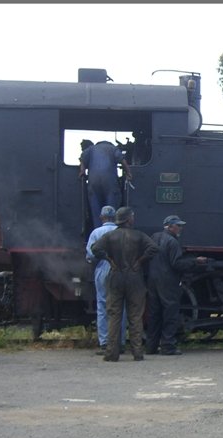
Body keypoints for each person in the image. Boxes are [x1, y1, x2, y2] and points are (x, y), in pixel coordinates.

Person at [91, 207, 158, 362]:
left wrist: (109, 260)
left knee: (114, 315)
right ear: (128, 219)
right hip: (135, 278)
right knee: (135, 316)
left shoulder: (110, 236)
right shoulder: (139, 236)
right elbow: (154, 248)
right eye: (132, 216)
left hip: (115, 276)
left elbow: (95, 249)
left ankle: (111, 353)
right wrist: (140, 261)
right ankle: (137, 353)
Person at [145, 215, 208, 356]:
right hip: (168, 281)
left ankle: (151, 346)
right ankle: (168, 346)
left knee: (154, 313)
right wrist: (195, 261)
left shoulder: (154, 237)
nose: (180, 228)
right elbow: (177, 263)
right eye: (178, 226)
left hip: (153, 279)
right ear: (170, 226)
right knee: (170, 313)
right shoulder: (172, 242)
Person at [85, 205, 126, 355]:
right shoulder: (121, 232)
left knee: (102, 305)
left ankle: (105, 343)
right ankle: (120, 342)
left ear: (102, 217)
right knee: (121, 305)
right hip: (121, 269)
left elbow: (90, 255)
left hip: (102, 268)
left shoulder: (96, 232)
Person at [79, 140, 132, 228]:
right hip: (110, 181)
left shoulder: (91, 149)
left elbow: (82, 159)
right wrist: (128, 173)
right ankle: (112, 228)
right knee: (112, 204)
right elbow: (122, 160)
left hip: (93, 181)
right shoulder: (113, 149)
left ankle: (97, 228)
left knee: (95, 206)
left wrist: (82, 171)